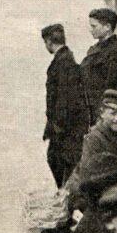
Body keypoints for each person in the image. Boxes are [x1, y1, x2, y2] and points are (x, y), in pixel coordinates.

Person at [64, 90, 117, 208]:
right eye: (113, 113)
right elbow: (90, 180)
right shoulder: (94, 139)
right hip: (86, 198)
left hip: (113, 192)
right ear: (102, 113)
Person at [41, 24, 91, 187]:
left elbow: (63, 98)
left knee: (59, 160)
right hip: (68, 126)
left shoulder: (62, 63)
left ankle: (66, 196)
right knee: (59, 160)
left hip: (64, 127)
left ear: (49, 42)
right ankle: (65, 194)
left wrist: (57, 126)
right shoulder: (67, 59)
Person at [80, 7, 117, 122]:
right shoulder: (96, 48)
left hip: (99, 114)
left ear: (107, 27)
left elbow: (113, 90)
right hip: (87, 110)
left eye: (94, 26)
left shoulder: (116, 53)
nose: (90, 29)